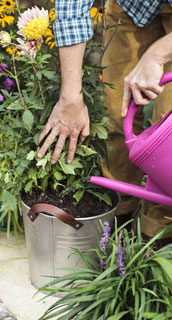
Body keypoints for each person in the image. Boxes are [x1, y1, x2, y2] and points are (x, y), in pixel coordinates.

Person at [37, 0, 172, 239]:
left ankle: (155, 239)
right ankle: (115, 221)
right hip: (134, 5)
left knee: (167, 141)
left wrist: (157, 55)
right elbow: (72, 7)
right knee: (115, 113)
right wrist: (70, 97)